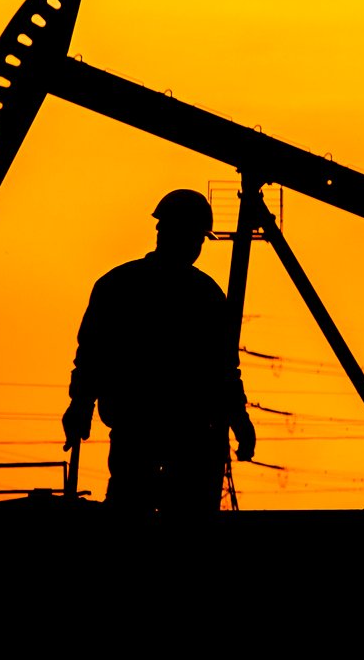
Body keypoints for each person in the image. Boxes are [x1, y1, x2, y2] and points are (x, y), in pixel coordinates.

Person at [61, 189, 256, 512]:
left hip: (144, 433)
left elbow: (91, 359)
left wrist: (80, 405)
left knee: (130, 508)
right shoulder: (205, 295)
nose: (197, 246)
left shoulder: (117, 285)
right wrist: (239, 421)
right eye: (196, 238)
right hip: (181, 436)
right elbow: (223, 372)